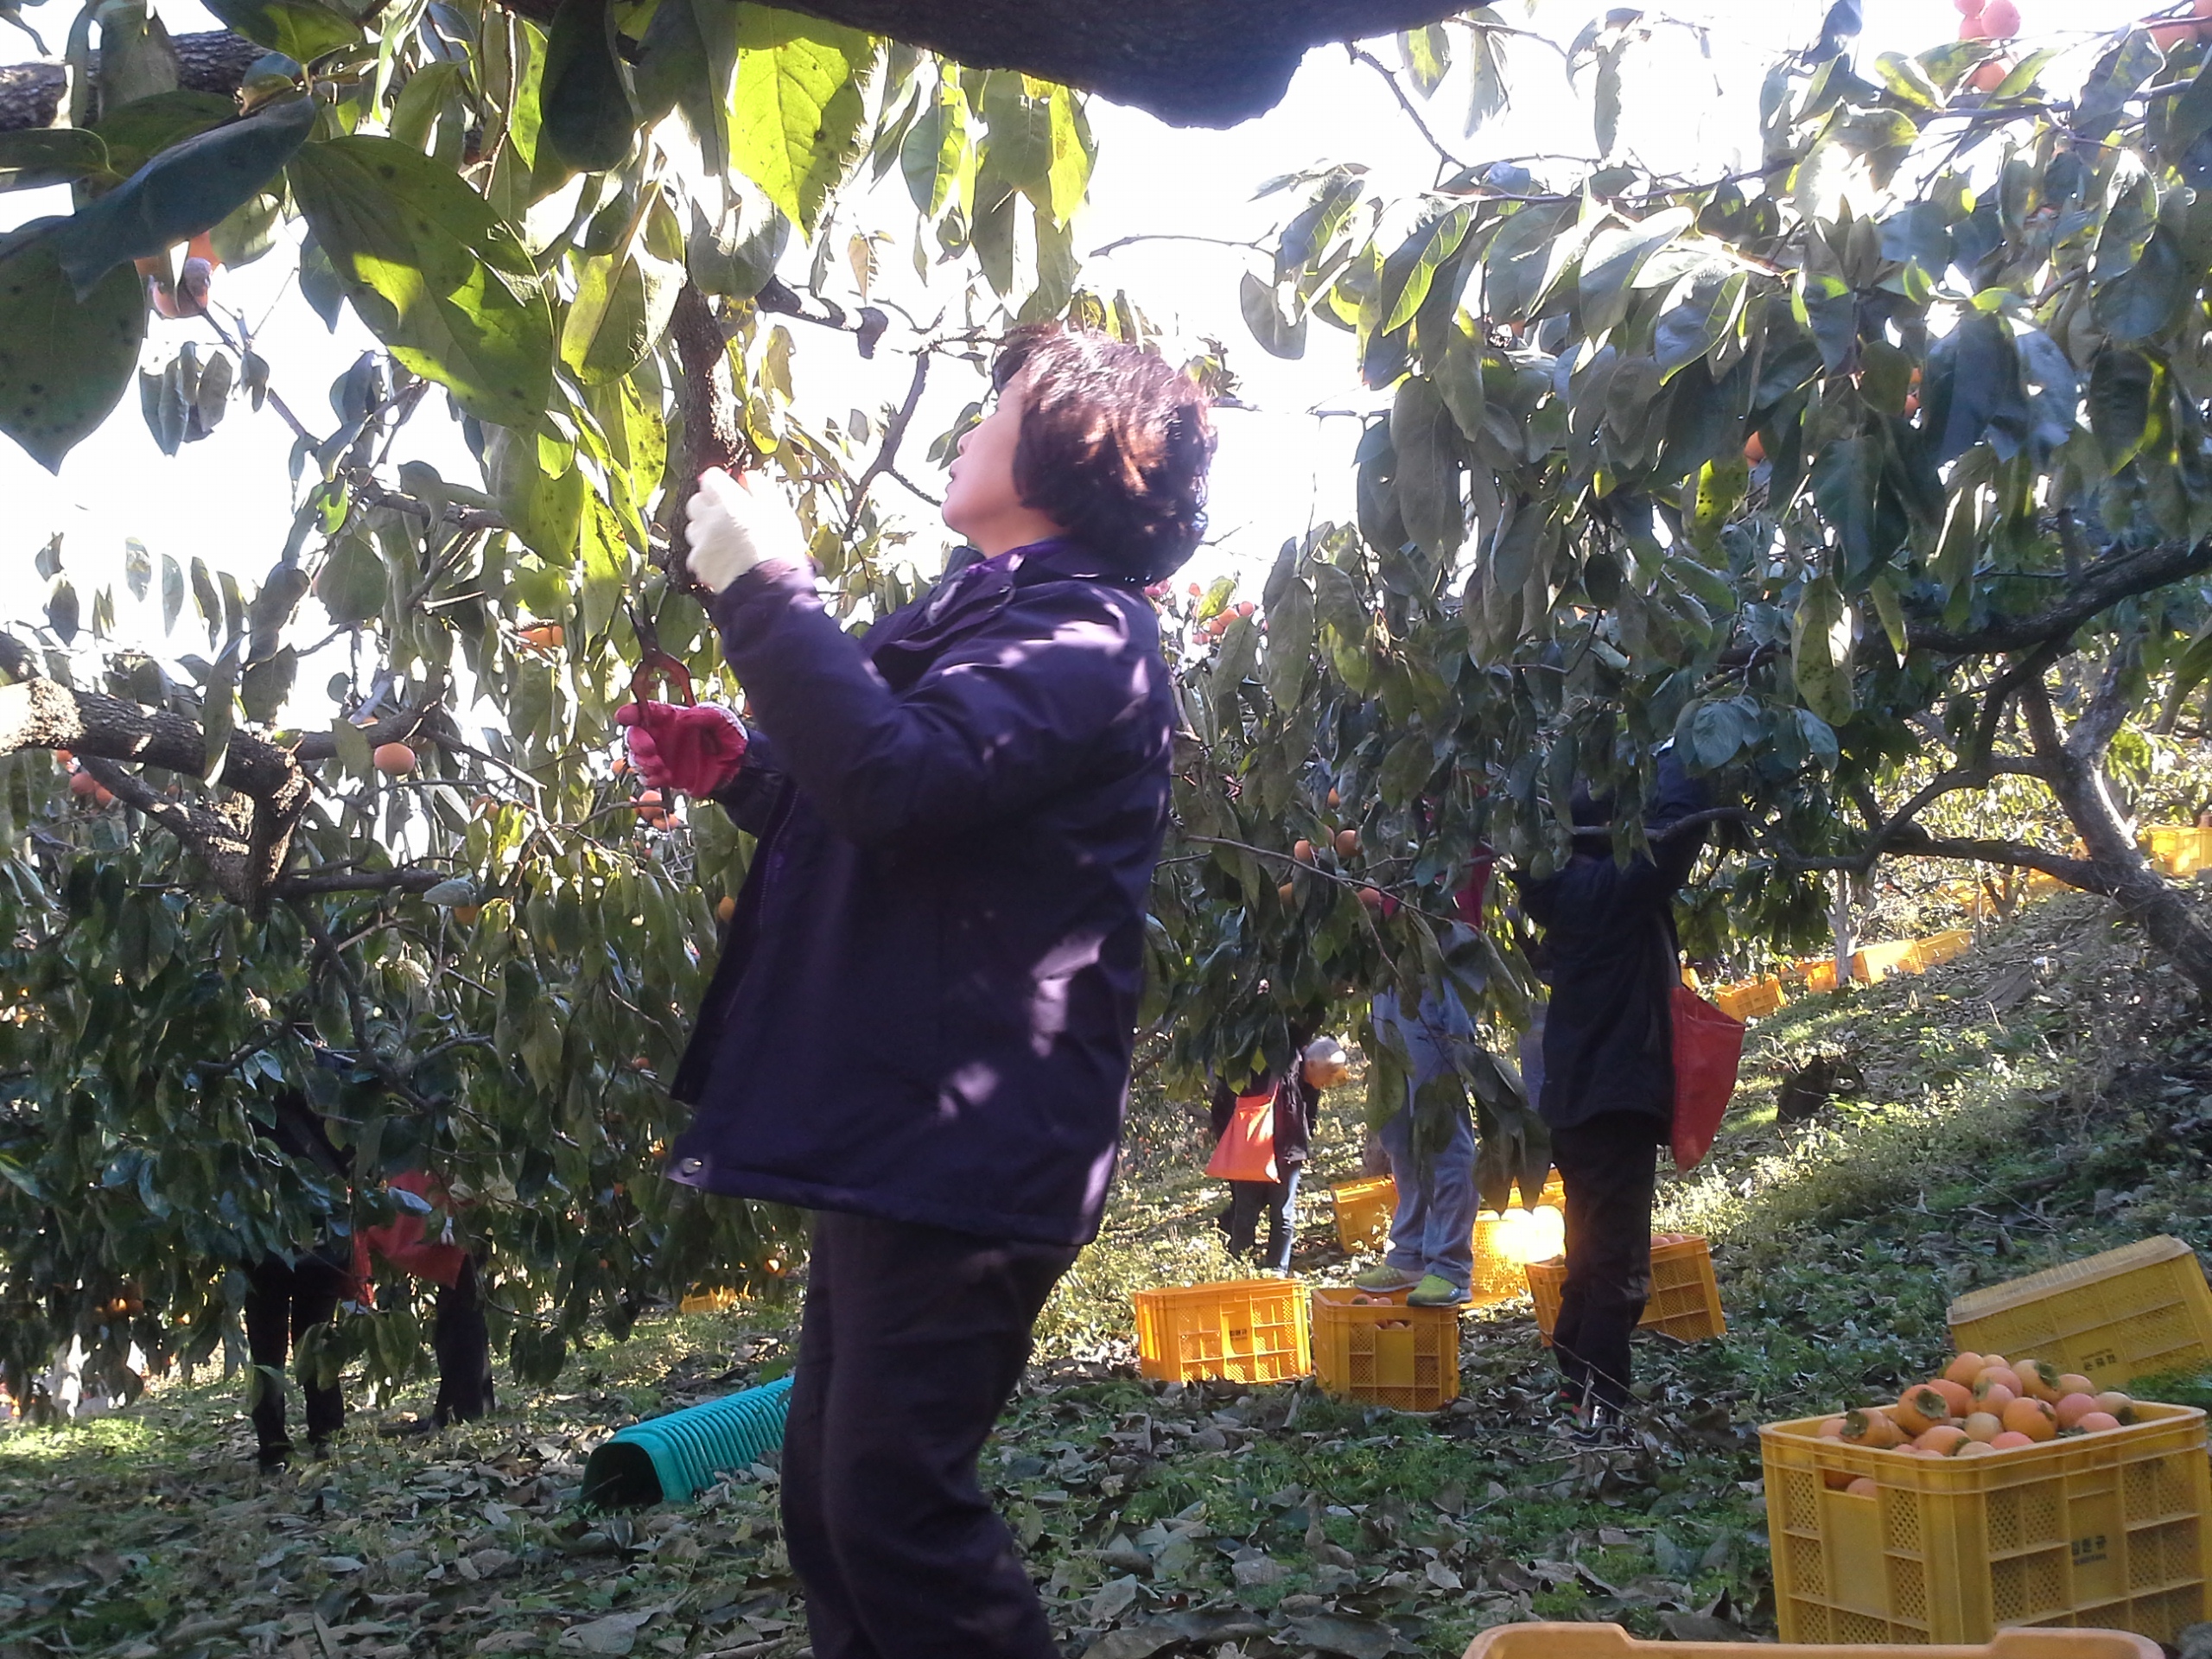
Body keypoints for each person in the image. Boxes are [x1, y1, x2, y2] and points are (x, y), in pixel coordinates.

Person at [617, 324, 1213, 1659]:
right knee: (837, 1499)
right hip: (912, 1127)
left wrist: (769, 590)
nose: (964, 428)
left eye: (994, 407)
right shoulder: (992, 612)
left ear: (1070, 440)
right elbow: (904, 799)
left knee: (891, 1502)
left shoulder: (1087, 632)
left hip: (971, 1136)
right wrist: (749, 774)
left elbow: (897, 784)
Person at [1517, 747, 1710, 1434]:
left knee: (1592, 1253)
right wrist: (1693, 741)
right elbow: (1679, 831)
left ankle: (1577, 1390)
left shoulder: (1562, 887)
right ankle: (1598, 1404)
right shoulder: (1606, 891)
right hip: (1612, 1101)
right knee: (1617, 1264)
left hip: (1580, 1103)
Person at [1352, 986, 1480, 1307]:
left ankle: (1450, 1266)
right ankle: (1410, 1254)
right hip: (1391, 979)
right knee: (1398, 1133)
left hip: (1435, 967)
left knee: (1441, 1131)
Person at [1210, 1035, 1347, 1274]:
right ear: (1310, 1064)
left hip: (1289, 1153)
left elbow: (1309, 1116)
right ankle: (1240, 1268)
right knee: (1246, 1211)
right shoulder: (1278, 1066)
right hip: (1253, 1150)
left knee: (1283, 1214)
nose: (1326, 1083)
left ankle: (1277, 1271)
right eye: (1326, 1076)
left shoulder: (1311, 1085)